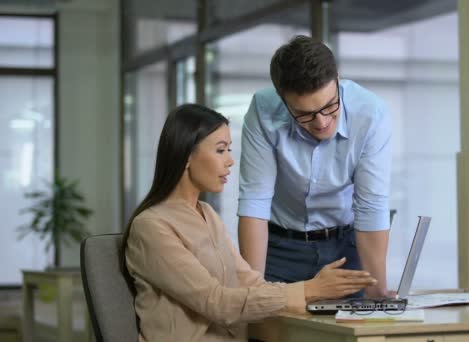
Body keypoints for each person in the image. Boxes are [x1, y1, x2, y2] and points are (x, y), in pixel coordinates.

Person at [121, 104, 376, 341]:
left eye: (229, 150)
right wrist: (308, 290)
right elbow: (216, 302)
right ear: (186, 156)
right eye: (220, 150)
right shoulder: (151, 227)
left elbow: (250, 283)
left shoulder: (207, 214)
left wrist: (316, 291)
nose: (230, 161)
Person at [238, 35, 392, 298]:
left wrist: (377, 291)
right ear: (282, 98)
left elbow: (371, 206)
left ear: (338, 79)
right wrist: (252, 293)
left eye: (329, 106)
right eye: (305, 114)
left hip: (346, 248)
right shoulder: (263, 110)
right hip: (280, 249)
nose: (321, 122)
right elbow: (255, 201)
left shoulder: (370, 113)